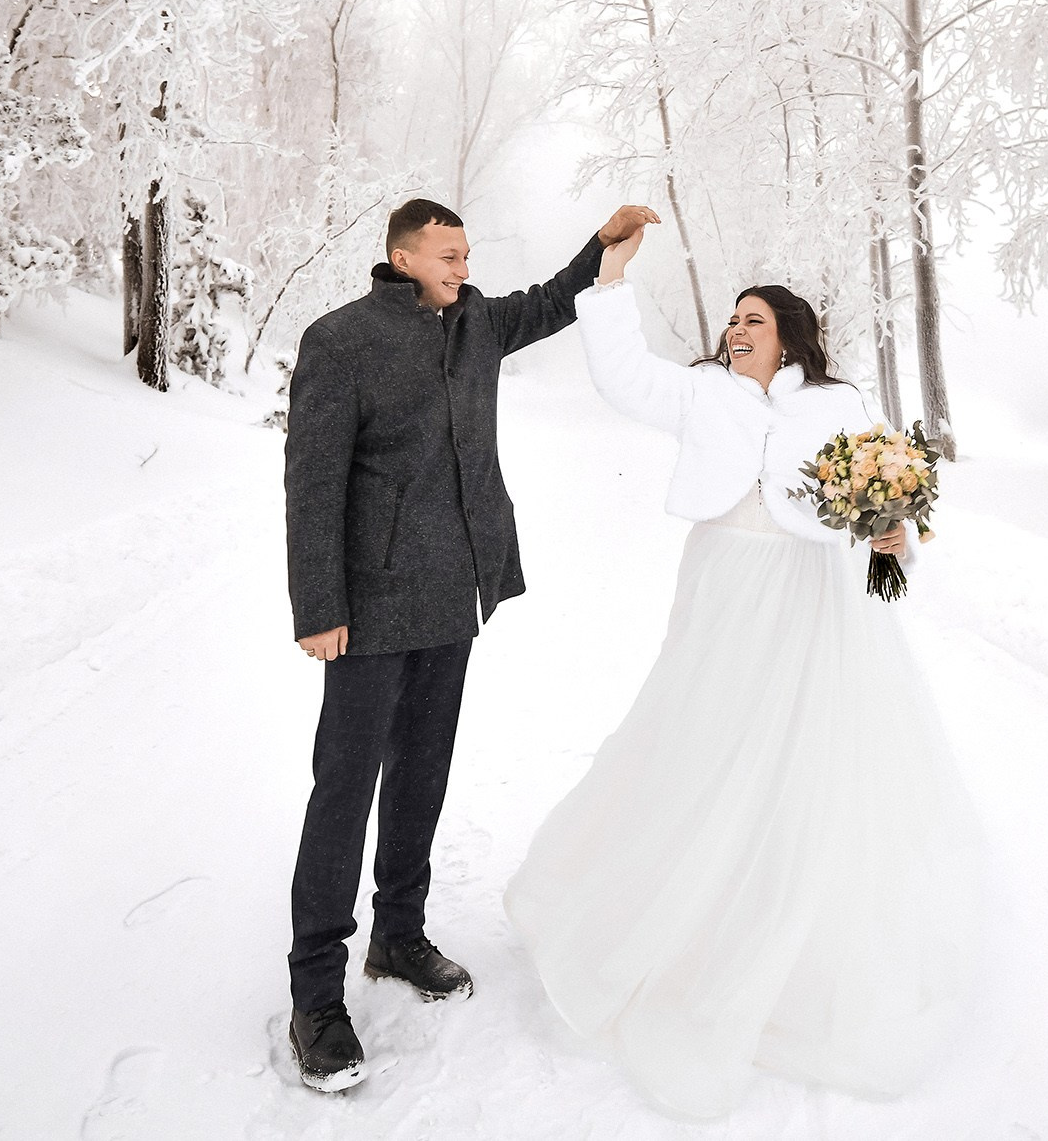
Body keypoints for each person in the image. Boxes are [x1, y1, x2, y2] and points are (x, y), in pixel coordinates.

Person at [504, 213, 985, 1119]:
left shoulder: (837, 404)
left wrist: (894, 537)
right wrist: (608, 284)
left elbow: (881, 495)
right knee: (704, 735)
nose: (734, 329)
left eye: (751, 320)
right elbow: (624, 376)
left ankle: (791, 916)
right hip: (726, 583)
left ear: (789, 335)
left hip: (809, 590)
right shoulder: (703, 393)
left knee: (801, 747)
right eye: (731, 319)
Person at [281, 196, 661, 1093]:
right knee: (345, 786)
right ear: (405, 257)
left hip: (454, 593)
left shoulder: (476, 323)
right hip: (368, 606)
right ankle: (316, 996)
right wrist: (318, 604)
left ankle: (399, 934)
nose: (464, 264)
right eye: (449, 253)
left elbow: (553, 298)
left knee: (424, 769)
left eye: (467, 251)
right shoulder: (339, 340)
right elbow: (311, 481)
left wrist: (601, 248)